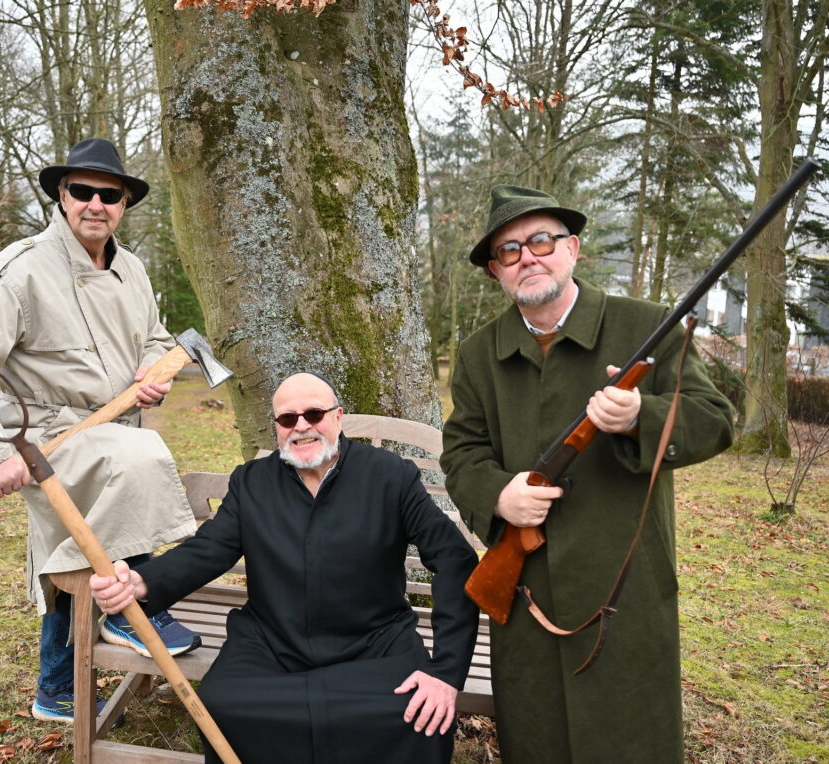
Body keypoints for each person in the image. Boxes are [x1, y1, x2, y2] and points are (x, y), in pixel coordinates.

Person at [440, 185, 735, 762]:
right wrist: (500, 496)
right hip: (528, 594)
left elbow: (714, 419)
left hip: (625, 590)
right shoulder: (478, 354)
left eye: (541, 240)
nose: (527, 256)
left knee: (629, 739)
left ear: (572, 248)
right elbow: (461, 452)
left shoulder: (649, 327)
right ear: (496, 272)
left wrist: (639, 417)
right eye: (509, 250)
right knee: (537, 738)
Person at [0, 138, 203, 723]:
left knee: (73, 557)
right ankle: (133, 611)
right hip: (47, 440)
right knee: (142, 462)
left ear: (125, 203)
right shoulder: (20, 269)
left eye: (110, 194)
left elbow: (154, 340)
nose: (95, 204)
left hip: (113, 426)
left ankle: (56, 689)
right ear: (62, 195)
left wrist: (152, 372)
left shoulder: (130, 269)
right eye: (83, 191)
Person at [90, 372, 480, 763]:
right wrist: (142, 581)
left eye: (314, 413)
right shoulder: (252, 481)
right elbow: (210, 549)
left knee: (417, 711)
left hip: (375, 641)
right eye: (287, 419)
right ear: (277, 427)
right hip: (273, 641)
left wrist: (446, 671)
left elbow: (454, 559)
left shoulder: (390, 475)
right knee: (224, 701)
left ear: (339, 417)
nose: (302, 426)